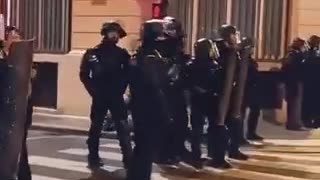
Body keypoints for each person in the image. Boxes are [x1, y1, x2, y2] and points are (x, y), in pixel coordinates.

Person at [127, 18, 182, 180]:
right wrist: (165, 115)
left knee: (141, 149)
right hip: (150, 111)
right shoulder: (151, 59)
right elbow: (155, 88)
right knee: (146, 150)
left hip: (140, 108)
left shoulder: (139, 55)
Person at [79, 21, 133, 170]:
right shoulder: (93, 54)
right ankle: (93, 157)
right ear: (105, 33)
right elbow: (84, 75)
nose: (115, 35)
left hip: (116, 96)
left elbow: (129, 73)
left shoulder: (122, 54)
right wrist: (93, 91)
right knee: (95, 128)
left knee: (123, 129)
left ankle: (128, 159)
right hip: (100, 96)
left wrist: (122, 89)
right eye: (112, 32)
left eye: (117, 33)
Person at [211, 25, 249, 169]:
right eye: (234, 34)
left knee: (235, 122)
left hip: (232, 93)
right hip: (220, 93)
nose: (236, 37)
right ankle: (217, 156)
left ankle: (234, 149)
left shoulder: (235, 51)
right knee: (219, 126)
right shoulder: (219, 49)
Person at [154, 16, 190, 165]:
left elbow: (180, 60)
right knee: (165, 122)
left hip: (178, 88)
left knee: (181, 120)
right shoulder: (159, 45)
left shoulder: (178, 44)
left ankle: (178, 148)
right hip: (164, 89)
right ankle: (163, 153)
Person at [186, 38, 221, 169]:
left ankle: (202, 155)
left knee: (202, 129)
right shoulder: (196, 65)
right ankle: (200, 155)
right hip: (203, 100)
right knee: (199, 129)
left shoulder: (211, 65)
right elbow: (188, 82)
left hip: (206, 100)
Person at [282, 37, 308, 131]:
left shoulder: (290, 53)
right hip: (295, 81)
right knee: (295, 103)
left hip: (290, 81)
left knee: (292, 103)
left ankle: (292, 123)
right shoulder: (296, 54)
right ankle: (294, 123)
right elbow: (299, 67)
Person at [241, 37, 264, 141]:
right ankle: (240, 136)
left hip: (252, 89)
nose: (252, 49)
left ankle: (251, 132)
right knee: (240, 114)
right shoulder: (242, 58)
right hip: (244, 89)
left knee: (255, 111)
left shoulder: (249, 58)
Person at [302, 35, 320, 128]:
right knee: (307, 102)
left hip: (316, 82)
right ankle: (307, 120)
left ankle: (317, 121)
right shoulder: (305, 53)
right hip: (308, 82)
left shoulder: (316, 53)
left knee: (316, 103)